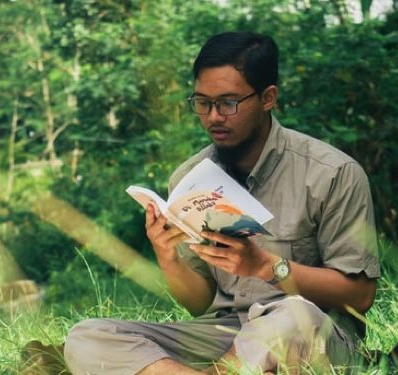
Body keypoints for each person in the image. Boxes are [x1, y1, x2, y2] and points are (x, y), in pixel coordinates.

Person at [64, 31, 380, 375]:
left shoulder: (333, 173)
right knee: (88, 337)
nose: (213, 116)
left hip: (310, 335)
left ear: (267, 98)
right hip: (225, 336)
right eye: (202, 103)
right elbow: (201, 304)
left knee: (293, 316)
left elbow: (360, 296)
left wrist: (267, 267)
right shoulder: (190, 178)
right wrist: (167, 257)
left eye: (228, 103)